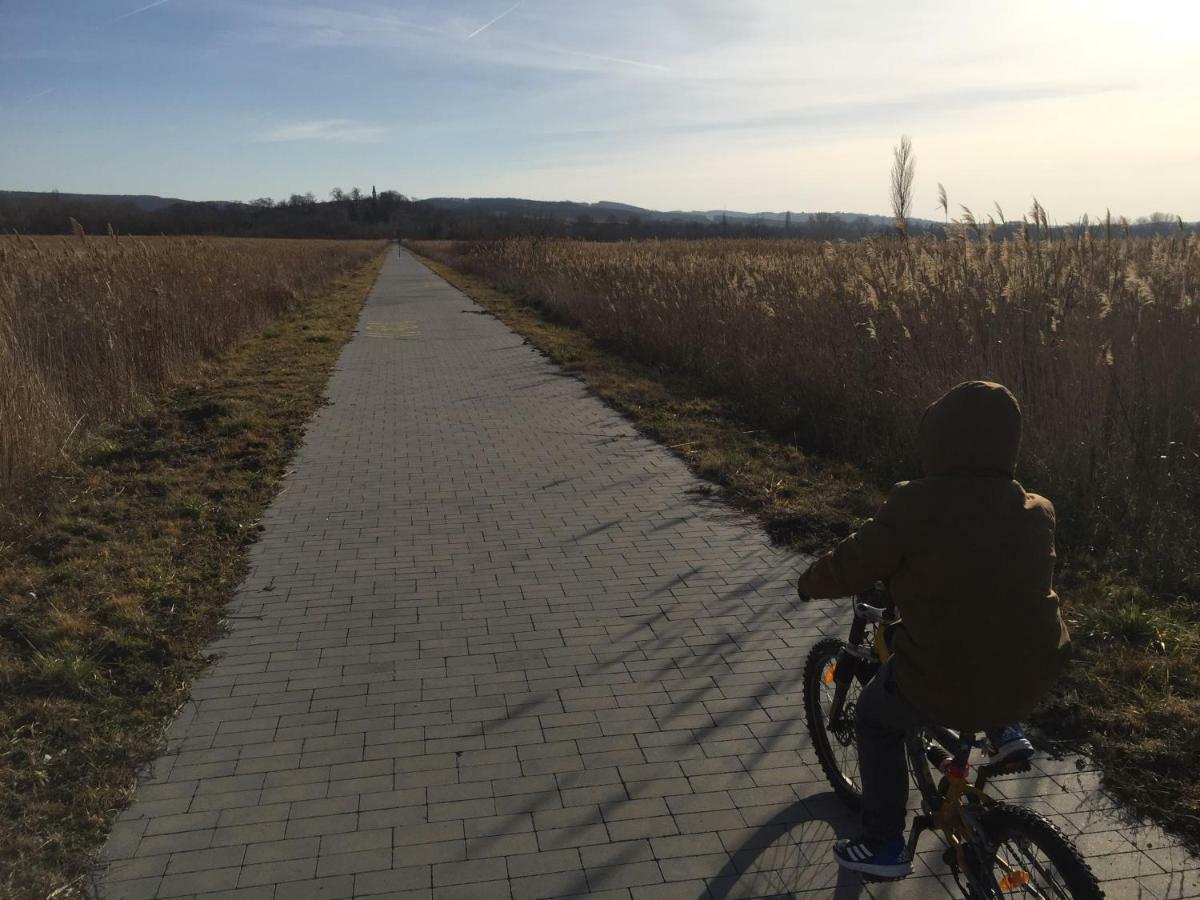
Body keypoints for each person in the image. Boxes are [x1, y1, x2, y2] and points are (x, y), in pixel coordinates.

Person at [795, 381, 1071, 879]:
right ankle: (1004, 729)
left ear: (938, 441)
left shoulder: (913, 505)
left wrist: (809, 583)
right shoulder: (1037, 509)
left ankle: (882, 844)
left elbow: (853, 563)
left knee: (878, 720)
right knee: (989, 634)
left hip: (949, 673)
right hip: (1033, 672)